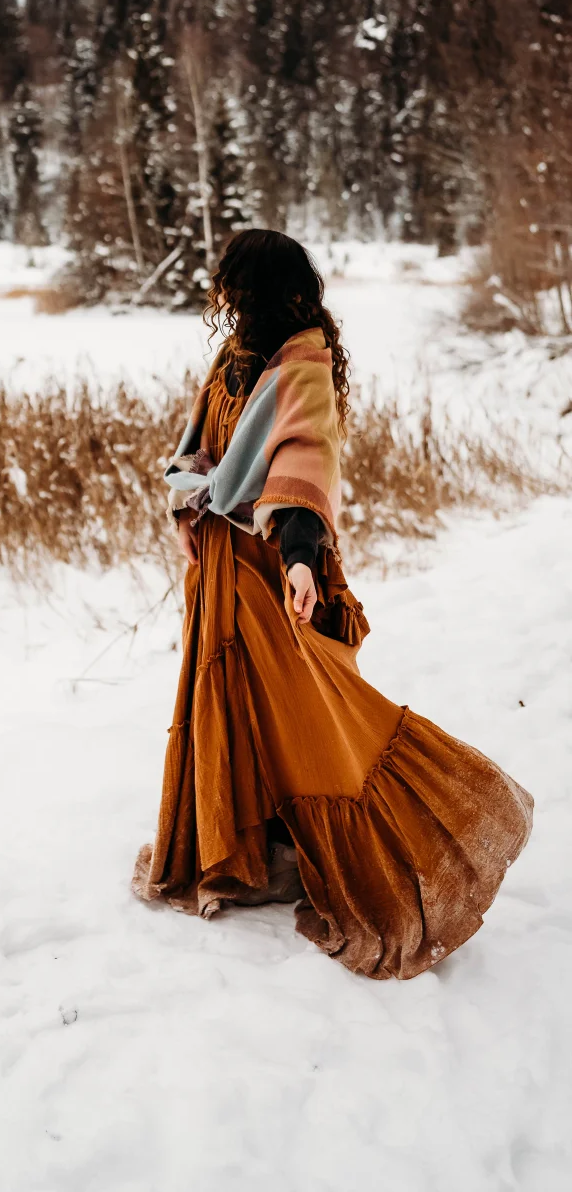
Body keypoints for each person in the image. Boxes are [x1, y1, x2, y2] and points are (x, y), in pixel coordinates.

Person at [132, 229, 533, 980]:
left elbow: (302, 459)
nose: (219, 293)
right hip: (220, 563)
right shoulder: (233, 360)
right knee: (236, 701)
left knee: (309, 710)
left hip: (268, 562)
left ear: (254, 290)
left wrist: (299, 559)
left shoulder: (301, 368)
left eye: (229, 282)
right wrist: (188, 513)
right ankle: (251, 851)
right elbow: (199, 451)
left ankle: (429, 828)